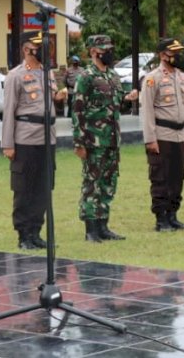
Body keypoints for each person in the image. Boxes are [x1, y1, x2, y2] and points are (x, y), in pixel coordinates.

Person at [1, 31, 67, 250]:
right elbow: (9, 109)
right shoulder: (16, 75)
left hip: (46, 137)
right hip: (25, 138)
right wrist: (8, 143)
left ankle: (36, 231)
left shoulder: (47, 73)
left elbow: (47, 101)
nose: (43, 50)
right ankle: (23, 234)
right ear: (26, 49)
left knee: (43, 187)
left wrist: (58, 98)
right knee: (24, 188)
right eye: (38, 46)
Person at [74, 35, 139, 242]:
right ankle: (91, 229)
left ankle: (103, 225)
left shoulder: (112, 75)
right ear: (94, 51)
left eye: (110, 48)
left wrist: (127, 98)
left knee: (108, 183)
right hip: (94, 140)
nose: (109, 53)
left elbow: (116, 100)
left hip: (112, 139)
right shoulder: (86, 76)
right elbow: (77, 111)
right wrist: (79, 141)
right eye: (105, 49)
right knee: (92, 183)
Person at [141, 38, 184, 232]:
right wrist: (150, 139)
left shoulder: (182, 77)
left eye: (179, 52)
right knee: (161, 178)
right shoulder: (152, 78)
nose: (178, 56)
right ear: (163, 54)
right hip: (162, 135)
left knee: (177, 177)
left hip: (179, 135)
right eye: (174, 52)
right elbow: (146, 110)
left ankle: (173, 215)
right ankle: (161, 218)